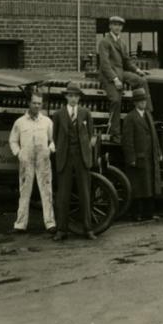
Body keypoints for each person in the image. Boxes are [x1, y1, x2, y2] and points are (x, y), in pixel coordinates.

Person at [8, 90, 56, 235]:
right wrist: (18, 153)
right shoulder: (20, 122)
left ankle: (50, 223)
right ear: (29, 103)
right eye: (34, 103)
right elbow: (13, 140)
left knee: (46, 191)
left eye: (39, 103)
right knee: (24, 191)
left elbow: (54, 140)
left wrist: (50, 149)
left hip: (43, 159)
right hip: (26, 160)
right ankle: (20, 224)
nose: (36, 106)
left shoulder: (47, 121)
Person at [53, 82, 96, 241]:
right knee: (63, 195)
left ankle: (88, 229)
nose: (73, 99)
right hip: (64, 157)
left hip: (81, 157)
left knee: (85, 193)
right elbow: (55, 137)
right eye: (70, 96)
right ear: (66, 97)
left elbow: (90, 135)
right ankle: (61, 230)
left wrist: (87, 153)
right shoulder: (58, 114)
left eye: (76, 96)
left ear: (79, 98)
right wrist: (60, 151)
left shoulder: (86, 113)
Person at [97, 15, 148, 141]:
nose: (117, 27)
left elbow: (127, 61)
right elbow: (104, 64)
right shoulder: (105, 42)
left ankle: (147, 112)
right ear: (110, 26)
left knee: (141, 81)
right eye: (114, 24)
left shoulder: (122, 43)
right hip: (108, 74)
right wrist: (115, 79)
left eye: (119, 25)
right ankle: (115, 133)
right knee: (115, 100)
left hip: (121, 71)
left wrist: (137, 70)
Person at [121, 88, 163, 221]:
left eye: (144, 100)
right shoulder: (130, 118)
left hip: (149, 156)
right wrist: (131, 158)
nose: (143, 103)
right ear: (135, 103)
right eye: (140, 101)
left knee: (149, 186)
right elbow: (127, 141)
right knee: (137, 187)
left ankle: (148, 213)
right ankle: (136, 214)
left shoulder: (148, 115)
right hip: (138, 158)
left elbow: (154, 136)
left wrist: (158, 152)